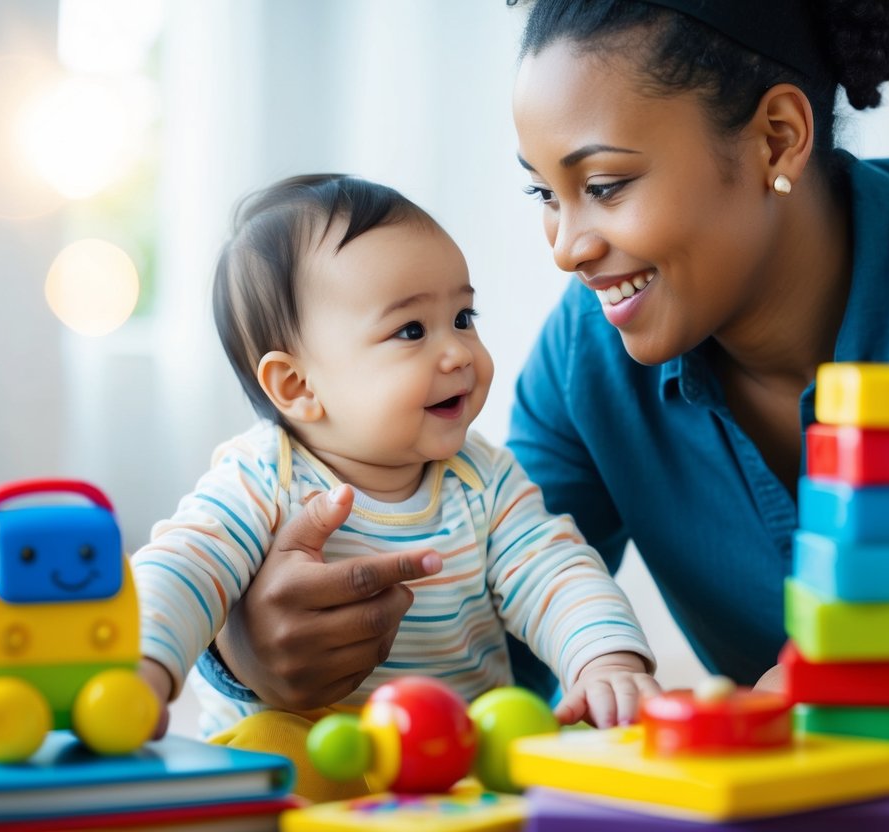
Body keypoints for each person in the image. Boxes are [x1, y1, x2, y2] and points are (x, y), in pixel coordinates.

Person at [206, 0, 889, 723]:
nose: (563, 247)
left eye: (602, 186)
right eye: (543, 192)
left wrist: (856, 682)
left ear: (776, 139)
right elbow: (500, 644)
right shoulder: (584, 359)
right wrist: (252, 650)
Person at [131, 174, 658, 801]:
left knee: (536, 744)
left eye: (462, 317)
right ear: (298, 386)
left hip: (451, 762)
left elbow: (557, 570)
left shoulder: (482, 479)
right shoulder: (261, 479)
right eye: (412, 330)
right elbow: (181, 566)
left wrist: (605, 661)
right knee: (267, 754)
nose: (458, 352)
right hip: (314, 759)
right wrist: (142, 669)